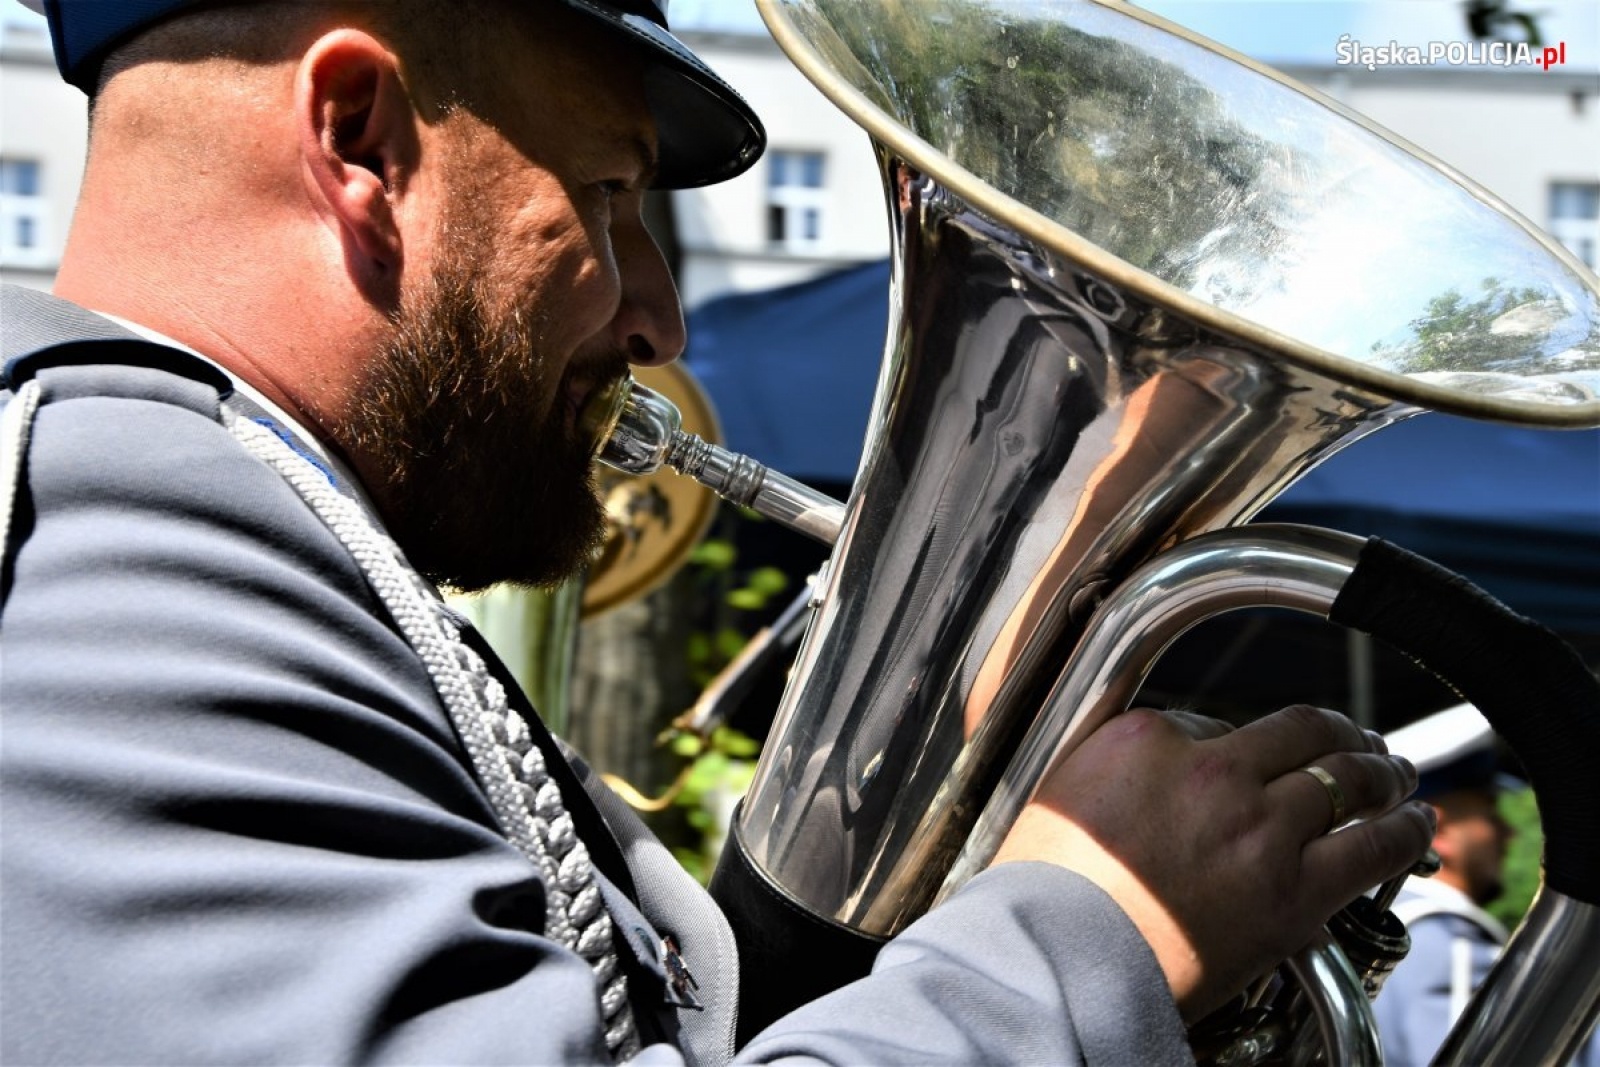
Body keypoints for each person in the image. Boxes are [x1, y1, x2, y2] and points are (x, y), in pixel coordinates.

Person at [0, 1, 1434, 1063]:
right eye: (609, 194)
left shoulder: (233, 541)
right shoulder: (115, 561)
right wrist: (1092, 927)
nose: (659, 320)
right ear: (359, 136)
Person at [1375, 704, 1599, 1067]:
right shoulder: (1446, 946)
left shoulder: (1392, 920)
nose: (1508, 832)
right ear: (1437, 829)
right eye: (1491, 815)